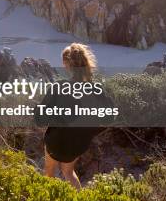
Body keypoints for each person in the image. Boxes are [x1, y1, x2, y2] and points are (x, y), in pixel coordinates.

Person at [35, 43, 111, 189]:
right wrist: (89, 132)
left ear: (67, 64)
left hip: (56, 141)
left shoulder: (59, 87)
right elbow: (109, 118)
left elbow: (39, 119)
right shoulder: (96, 89)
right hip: (78, 144)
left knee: (49, 170)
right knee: (68, 171)